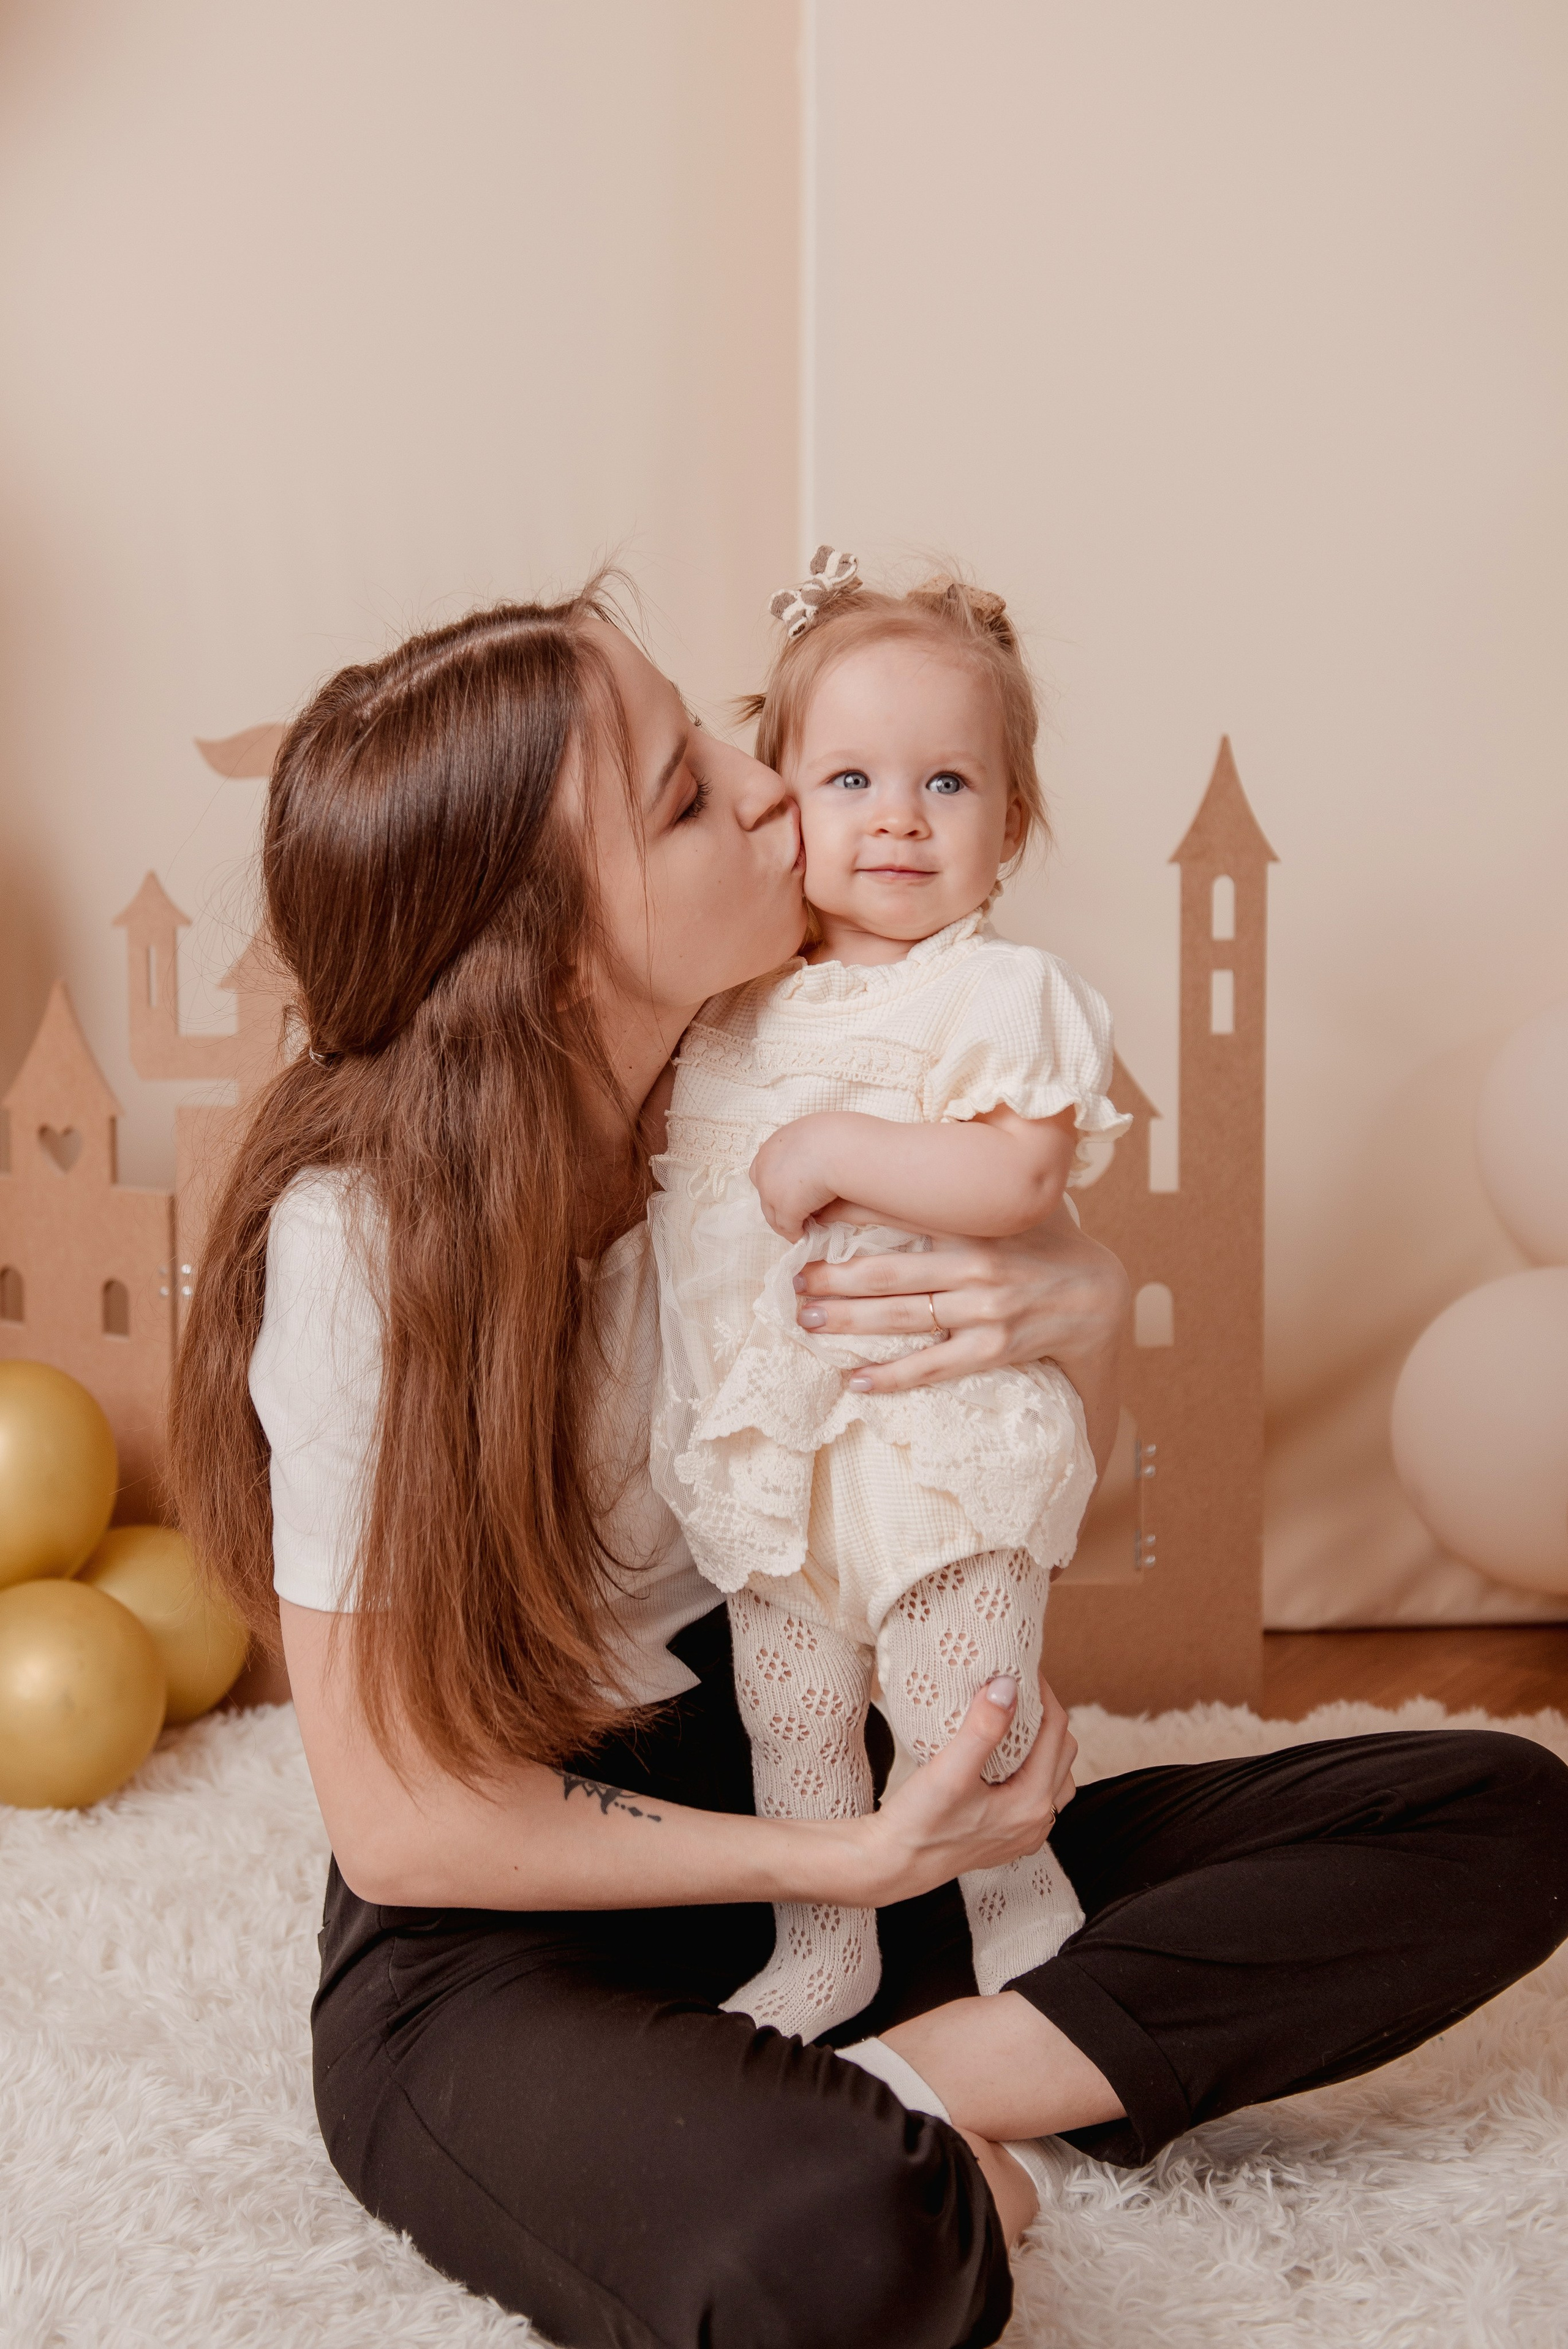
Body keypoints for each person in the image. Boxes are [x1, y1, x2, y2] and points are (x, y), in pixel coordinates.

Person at [170, 584, 1568, 2349]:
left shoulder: (789, 1062)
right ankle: (859, 2113)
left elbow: (986, 1458)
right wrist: (849, 1864)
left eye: (725, 735)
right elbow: (406, 1819)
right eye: (690, 795)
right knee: (857, 2251)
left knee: (1498, 1816)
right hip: (518, 1910)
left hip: (823, 1789)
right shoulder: (363, 1244)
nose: (772, 790)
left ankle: (904, 2068)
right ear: (551, 951)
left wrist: (1087, 1294)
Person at [649, 550, 1131, 2043]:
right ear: (781, 803)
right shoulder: (728, 1005)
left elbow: (1015, 1186)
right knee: (789, 1723)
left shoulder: (996, 996)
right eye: (849, 779)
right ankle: (826, 1943)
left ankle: (1015, 1907)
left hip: (932, 1440)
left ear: (1011, 823)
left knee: (956, 1708)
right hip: (774, 1458)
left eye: (946, 786)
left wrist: (837, 1147)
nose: (897, 820)